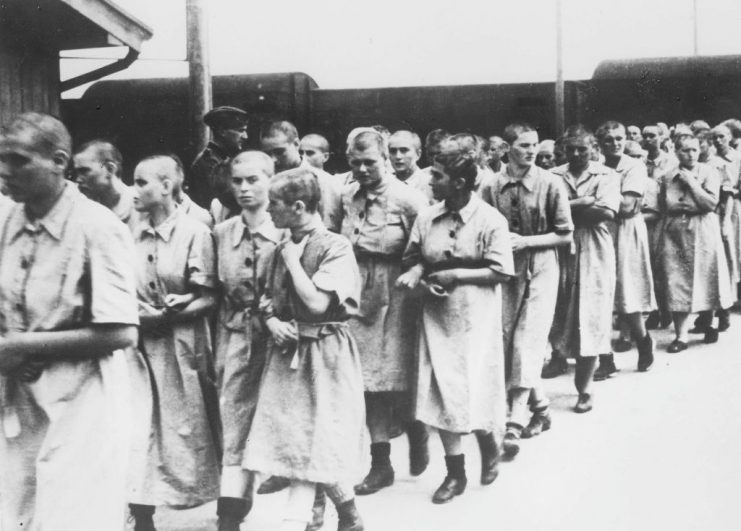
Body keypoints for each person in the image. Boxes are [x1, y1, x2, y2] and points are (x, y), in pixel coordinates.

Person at [0, 112, 139, 529]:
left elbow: (121, 331)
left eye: (19, 160)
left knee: (72, 518)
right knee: (19, 515)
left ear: (60, 162)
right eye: (0, 158)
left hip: (82, 404)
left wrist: (20, 346)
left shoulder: (98, 227)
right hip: (20, 404)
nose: (5, 171)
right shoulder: (7, 221)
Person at [242, 167, 365, 531]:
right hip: (287, 353)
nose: (269, 212)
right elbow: (264, 295)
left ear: (298, 206)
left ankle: (320, 515)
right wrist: (272, 322)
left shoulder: (335, 247)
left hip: (325, 353)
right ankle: (343, 513)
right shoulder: (280, 245)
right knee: (295, 436)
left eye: (275, 205)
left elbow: (316, 305)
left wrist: (293, 261)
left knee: (320, 436)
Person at [396, 137, 514, 504]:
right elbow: (414, 256)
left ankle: (489, 444)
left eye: (438, 176)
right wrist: (417, 274)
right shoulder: (427, 216)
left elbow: (501, 272)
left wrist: (457, 275)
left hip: (474, 318)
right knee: (443, 392)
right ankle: (455, 473)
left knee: (473, 387)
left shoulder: (491, 220)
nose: (432, 183)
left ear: (460, 183)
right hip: (436, 316)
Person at [128, 154, 221, 529]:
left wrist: (169, 314)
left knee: (188, 427)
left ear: (167, 186)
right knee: (139, 426)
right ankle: (142, 514)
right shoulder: (129, 231)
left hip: (183, 346)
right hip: (139, 347)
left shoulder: (195, 232)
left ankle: (220, 508)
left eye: (141, 182)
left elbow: (209, 296)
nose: (134, 190)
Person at [339, 130, 429, 496]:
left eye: (370, 162)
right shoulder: (346, 195)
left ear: (386, 159)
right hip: (358, 289)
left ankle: (416, 427)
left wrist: (416, 271)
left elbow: (429, 247)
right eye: (355, 163)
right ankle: (381, 463)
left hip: (398, 292)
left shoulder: (409, 199)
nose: (362, 169)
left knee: (400, 376)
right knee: (367, 383)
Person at [481, 124, 573, 455]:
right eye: (523, 145)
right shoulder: (491, 186)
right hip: (507, 271)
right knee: (507, 340)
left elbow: (565, 233)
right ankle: (542, 409)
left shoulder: (551, 183)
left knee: (527, 341)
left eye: (534, 144)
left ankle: (514, 424)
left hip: (543, 267)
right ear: (507, 148)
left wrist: (527, 241)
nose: (531, 150)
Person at [213, 151, 283, 530]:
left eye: (253, 180)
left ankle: (322, 502)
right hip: (238, 335)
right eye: (237, 181)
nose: (243, 188)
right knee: (235, 421)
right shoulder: (222, 232)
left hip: (282, 341)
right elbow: (217, 295)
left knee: (289, 419)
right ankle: (230, 512)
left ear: (272, 180)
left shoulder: (287, 231)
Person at [549, 125, 621, 412]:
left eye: (583, 148)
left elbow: (605, 213)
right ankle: (557, 361)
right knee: (559, 311)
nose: (577, 154)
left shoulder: (608, 175)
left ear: (594, 149)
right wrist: (583, 201)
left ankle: (585, 388)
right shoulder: (553, 176)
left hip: (594, 248)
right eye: (571, 149)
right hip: (560, 248)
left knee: (591, 315)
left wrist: (565, 208)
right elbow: (547, 213)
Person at [657, 134, 733, 352]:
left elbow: (710, 203)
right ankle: (680, 336)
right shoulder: (667, 176)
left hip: (703, 230)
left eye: (693, 150)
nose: (689, 154)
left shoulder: (709, 172)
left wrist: (691, 183)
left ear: (699, 151)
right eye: (684, 150)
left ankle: (707, 323)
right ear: (676, 152)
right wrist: (686, 207)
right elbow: (666, 205)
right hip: (676, 231)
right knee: (677, 279)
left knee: (705, 274)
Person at [595, 121, 656, 377]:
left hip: (626, 232)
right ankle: (604, 357)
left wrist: (594, 200)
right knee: (597, 292)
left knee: (626, 291)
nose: (615, 144)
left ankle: (643, 341)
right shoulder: (594, 165)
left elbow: (628, 206)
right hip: (599, 229)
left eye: (619, 138)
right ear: (600, 143)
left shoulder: (634, 166)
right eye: (608, 140)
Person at [260, 120, 342, 232]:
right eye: (268, 154)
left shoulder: (323, 181)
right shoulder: (264, 180)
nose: (273, 159)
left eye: (279, 152)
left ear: (296, 144)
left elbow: (329, 228)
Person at [186, 106, 248, 209]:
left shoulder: (220, 159)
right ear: (222, 131)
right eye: (241, 131)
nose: (245, 136)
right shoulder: (209, 163)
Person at [72, 139, 137, 225]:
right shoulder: (83, 208)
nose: (78, 179)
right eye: (77, 172)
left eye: (84, 171)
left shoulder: (142, 206)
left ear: (110, 169)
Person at [388, 129, 434, 202]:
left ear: (418, 154)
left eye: (404, 150)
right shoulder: (386, 183)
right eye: (393, 151)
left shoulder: (430, 185)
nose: (398, 156)